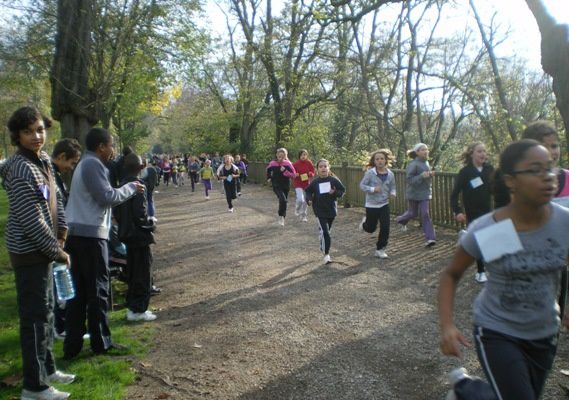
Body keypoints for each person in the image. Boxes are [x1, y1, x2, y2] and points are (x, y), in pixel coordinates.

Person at [439, 139, 569, 400]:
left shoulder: (563, 222)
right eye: (535, 170)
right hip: (498, 331)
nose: (548, 177)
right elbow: (452, 274)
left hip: (545, 331)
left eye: (550, 168)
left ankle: (465, 390)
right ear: (511, 180)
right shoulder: (495, 229)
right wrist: (447, 326)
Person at [0, 106, 75, 400]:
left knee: (45, 314)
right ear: (17, 136)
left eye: (40, 129)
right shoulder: (20, 167)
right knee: (34, 319)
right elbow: (31, 218)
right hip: (29, 252)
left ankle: (48, 369)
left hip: (45, 249)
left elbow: (56, 201)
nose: (36, 136)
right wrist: (56, 250)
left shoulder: (42, 160)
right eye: (29, 131)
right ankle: (34, 387)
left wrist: (63, 232)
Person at [63, 127, 144, 359]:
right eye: (110, 146)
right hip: (90, 237)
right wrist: (131, 188)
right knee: (97, 290)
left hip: (79, 235)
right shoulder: (92, 165)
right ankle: (101, 343)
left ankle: (73, 345)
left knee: (78, 293)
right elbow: (106, 197)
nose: (112, 151)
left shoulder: (86, 164)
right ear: (101, 147)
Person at [115, 153, 157, 322]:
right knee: (143, 273)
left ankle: (133, 306)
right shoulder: (138, 185)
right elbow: (140, 213)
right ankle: (138, 309)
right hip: (139, 236)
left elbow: (117, 211)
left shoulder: (121, 185)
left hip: (126, 234)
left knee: (133, 272)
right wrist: (151, 223)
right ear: (141, 168)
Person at [50, 138, 82, 340]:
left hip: (57, 238)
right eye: (71, 163)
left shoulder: (56, 176)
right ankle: (58, 327)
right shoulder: (51, 176)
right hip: (51, 240)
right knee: (56, 286)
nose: (71, 168)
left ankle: (59, 325)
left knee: (58, 284)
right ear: (62, 157)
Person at [450, 143, 494, 283]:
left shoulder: (489, 169)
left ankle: (465, 237)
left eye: (484, 151)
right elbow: (454, 194)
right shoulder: (465, 172)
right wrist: (457, 211)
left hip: (488, 210)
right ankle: (480, 271)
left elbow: (496, 189)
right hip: (472, 212)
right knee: (481, 239)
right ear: (472, 154)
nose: (483, 154)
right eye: (479, 151)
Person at [305, 159, 345, 264]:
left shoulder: (334, 180)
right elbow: (308, 191)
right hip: (319, 210)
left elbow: (342, 191)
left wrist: (335, 192)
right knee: (326, 233)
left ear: (328, 168)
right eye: (321, 167)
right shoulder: (315, 182)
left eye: (325, 166)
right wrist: (308, 199)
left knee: (327, 231)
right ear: (317, 169)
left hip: (331, 210)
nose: (323, 168)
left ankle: (322, 238)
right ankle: (326, 254)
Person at [396, 143, 436, 247]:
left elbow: (425, 178)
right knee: (412, 213)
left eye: (427, 149)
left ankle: (430, 238)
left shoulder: (426, 162)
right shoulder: (413, 164)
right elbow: (409, 180)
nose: (426, 151)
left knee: (425, 214)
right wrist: (422, 176)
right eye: (423, 150)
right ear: (417, 152)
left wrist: (430, 175)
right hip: (413, 193)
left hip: (425, 193)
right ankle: (400, 220)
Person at [358, 149, 397, 259]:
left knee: (385, 227)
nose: (380, 161)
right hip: (371, 205)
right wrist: (373, 189)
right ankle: (365, 223)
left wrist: (393, 193)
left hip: (384, 204)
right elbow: (362, 186)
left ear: (386, 161)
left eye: (382, 159)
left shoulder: (390, 174)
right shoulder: (370, 173)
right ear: (374, 161)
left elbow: (393, 187)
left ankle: (380, 249)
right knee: (371, 229)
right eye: (377, 159)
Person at [266, 148, 296, 226]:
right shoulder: (273, 163)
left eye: (282, 156)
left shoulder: (288, 164)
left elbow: (293, 175)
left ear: (285, 156)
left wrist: (285, 171)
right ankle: (281, 215)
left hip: (286, 185)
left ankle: (282, 217)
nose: (280, 158)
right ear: (277, 155)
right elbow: (268, 170)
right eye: (279, 156)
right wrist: (269, 177)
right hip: (276, 185)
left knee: (284, 201)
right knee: (283, 199)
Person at [292, 149, 315, 222]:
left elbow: (313, 172)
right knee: (300, 199)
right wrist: (295, 174)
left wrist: (310, 174)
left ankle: (304, 216)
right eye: (302, 155)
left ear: (307, 156)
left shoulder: (309, 163)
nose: (303, 156)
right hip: (298, 183)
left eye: (305, 155)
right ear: (299, 156)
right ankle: (297, 209)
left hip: (306, 184)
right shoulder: (295, 164)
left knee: (305, 201)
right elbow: (292, 173)